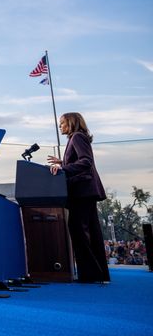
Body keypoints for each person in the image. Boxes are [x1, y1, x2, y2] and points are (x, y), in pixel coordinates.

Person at [48, 112, 110, 283]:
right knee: (93, 232)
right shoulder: (77, 138)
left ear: (71, 122)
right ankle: (99, 274)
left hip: (82, 191)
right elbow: (81, 161)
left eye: (62, 123)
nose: (60, 126)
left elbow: (86, 161)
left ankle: (89, 274)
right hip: (86, 191)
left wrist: (63, 169)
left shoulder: (76, 137)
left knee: (77, 230)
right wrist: (63, 163)